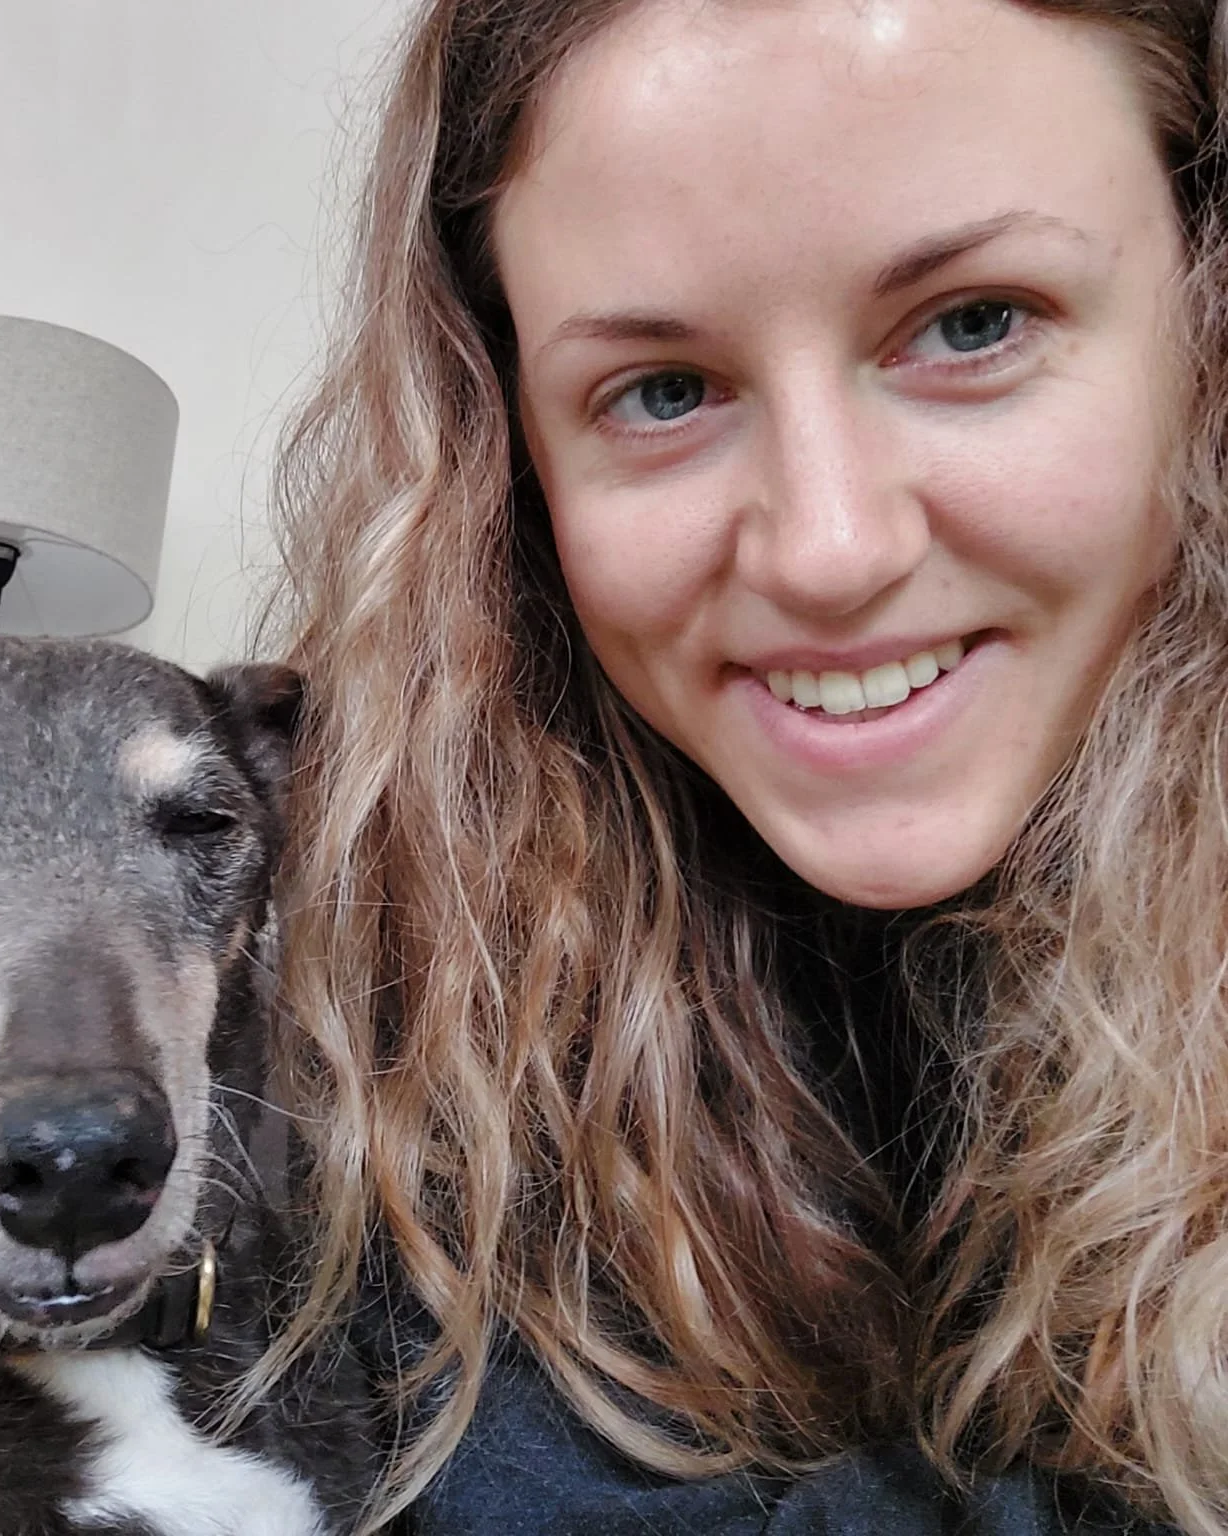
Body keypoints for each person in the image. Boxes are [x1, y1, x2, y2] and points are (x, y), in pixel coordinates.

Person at [262, 0, 1228, 1529]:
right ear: (510, 461)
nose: (830, 549)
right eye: (662, 391)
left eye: (975, 322)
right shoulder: (407, 991)